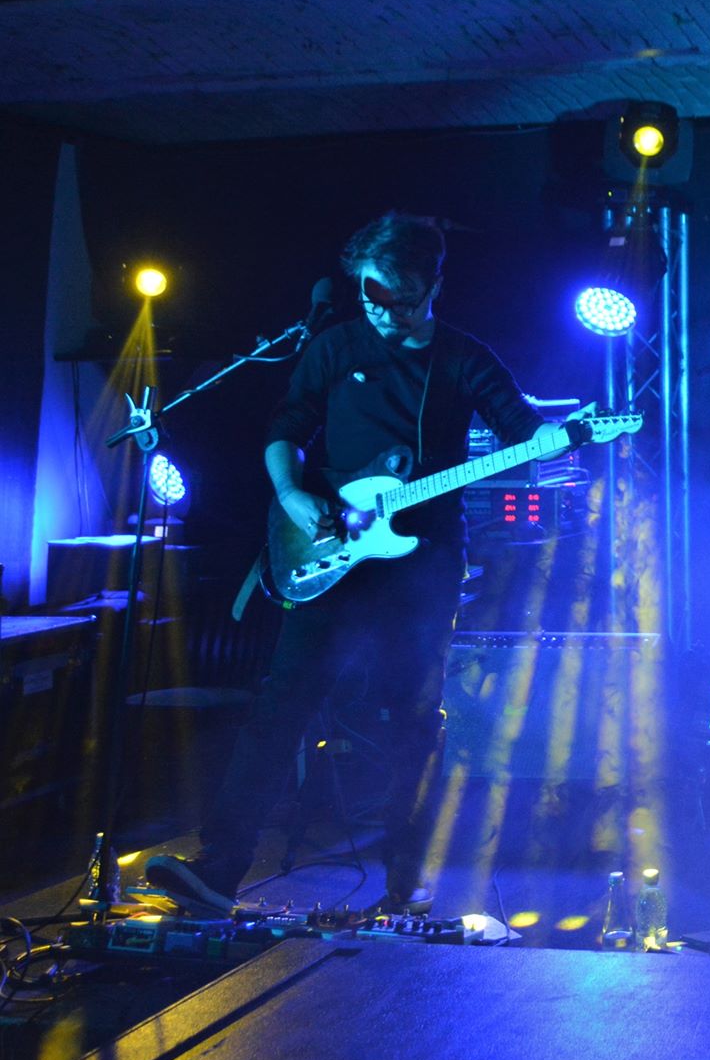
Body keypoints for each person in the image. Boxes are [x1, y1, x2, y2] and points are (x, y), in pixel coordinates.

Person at [149, 214, 570, 916]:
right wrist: (293, 495)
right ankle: (219, 869)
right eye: (371, 295)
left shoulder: (465, 359)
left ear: (433, 285)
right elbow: (287, 428)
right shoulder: (335, 345)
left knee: (413, 716)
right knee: (282, 702)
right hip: (329, 548)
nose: (383, 310)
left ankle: (407, 878)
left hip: (423, 560)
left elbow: (523, 430)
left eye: (400, 299)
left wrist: (552, 438)